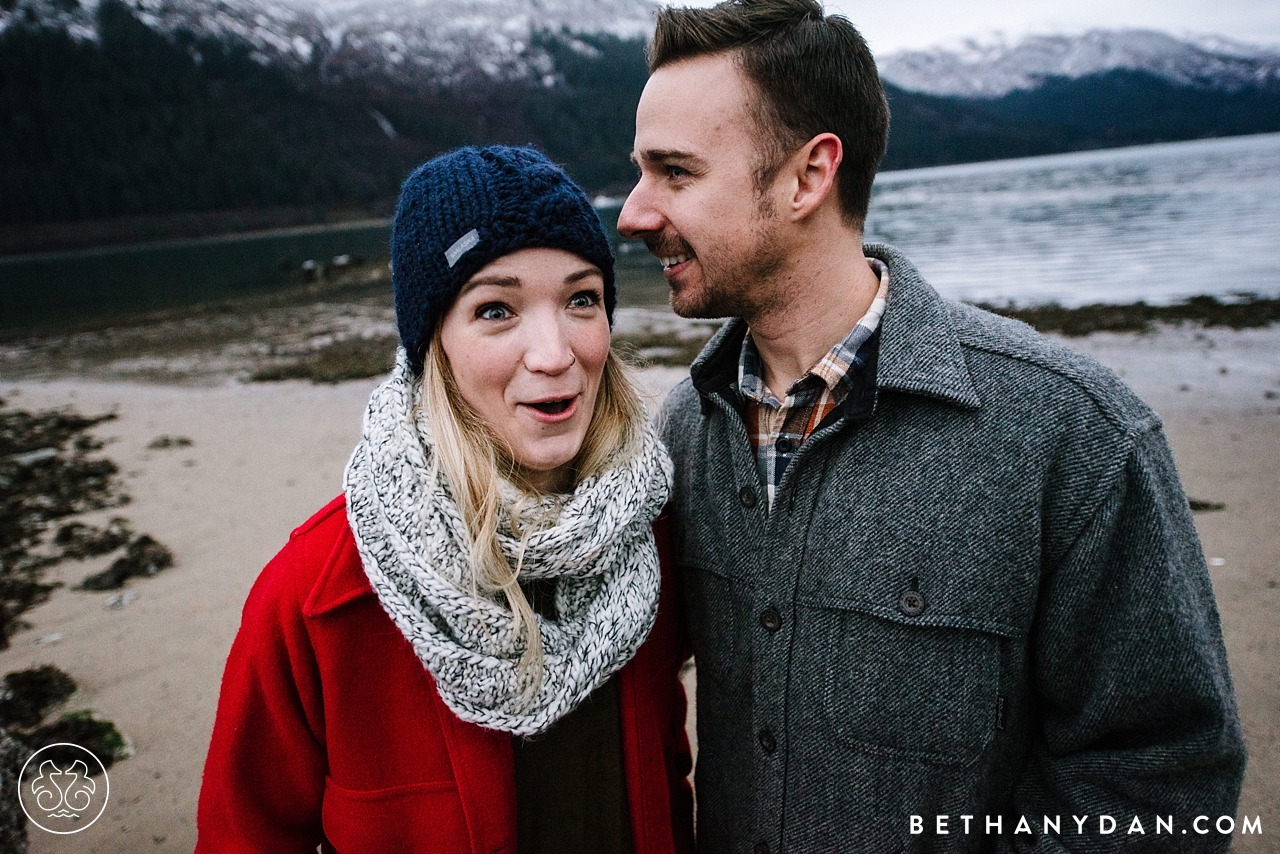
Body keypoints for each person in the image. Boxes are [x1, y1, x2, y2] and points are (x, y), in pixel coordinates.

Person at [617, 0, 1247, 851]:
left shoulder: (1070, 434)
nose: (633, 211)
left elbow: (1166, 775)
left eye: (675, 173)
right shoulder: (687, 428)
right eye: (640, 172)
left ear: (808, 176)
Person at [197, 146, 693, 854]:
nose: (554, 353)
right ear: (433, 343)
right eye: (496, 309)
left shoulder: (651, 543)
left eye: (581, 298)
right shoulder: (317, 596)